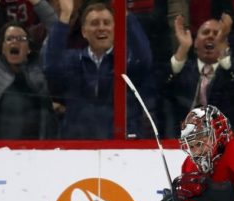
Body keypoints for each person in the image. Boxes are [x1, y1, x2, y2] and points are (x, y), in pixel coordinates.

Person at [42, 1, 152, 139]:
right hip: (78, 147)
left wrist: (123, 12)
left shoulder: (126, 63)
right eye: (94, 23)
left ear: (116, 29)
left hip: (122, 148)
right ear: (83, 31)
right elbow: (51, 68)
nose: (101, 28)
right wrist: (65, 15)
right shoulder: (73, 60)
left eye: (106, 23)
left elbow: (143, 59)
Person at [0, 0, 58, 139]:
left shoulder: (40, 67)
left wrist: (36, 2)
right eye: (9, 39)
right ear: (2, 47)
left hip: (37, 149)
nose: (15, 42)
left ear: (29, 48)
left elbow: (56, 33)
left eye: (21, 38)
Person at [161, 14, 234, 136]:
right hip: (182, 140)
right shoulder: (182, 70)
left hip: (222, 140)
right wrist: (183, 48)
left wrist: (223, 52)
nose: (210, 36)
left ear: (225, 43)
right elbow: (163, 87)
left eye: (216, 33)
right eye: (206, 32)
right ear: (195, 43)